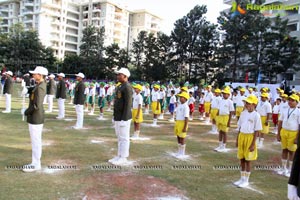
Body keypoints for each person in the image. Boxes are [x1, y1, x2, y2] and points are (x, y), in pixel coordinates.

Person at [23, 66, 48, 172]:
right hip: (34, 116)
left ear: (40, 75)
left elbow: (36, 105)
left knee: (36, 141)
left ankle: (36, 164)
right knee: (34, 141)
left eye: (35, 74)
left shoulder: (41, 87)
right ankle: (34, 162)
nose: (33, 75)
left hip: (36, 116)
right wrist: (27, 90)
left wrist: (26, 111)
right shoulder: (39, 85)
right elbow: (33, 93)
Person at [234, 95, 262, 188]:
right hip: (242, 136)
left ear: (254, 104)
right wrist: (237, 139)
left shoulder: (256, 115)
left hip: (250, 138)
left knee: (248, 160)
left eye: (248, 103)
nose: (246, 105)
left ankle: (246, 180)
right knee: (241, 158)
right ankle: (241, 178)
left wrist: (253, 144)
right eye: (246, 103)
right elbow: (240, 127)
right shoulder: (243, 113)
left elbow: (257, 130)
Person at [108, 68, 132, 165]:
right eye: (117, 74)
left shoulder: (127, 87)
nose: (118, 76)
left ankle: (124, 157)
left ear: (125, 76)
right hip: (118, 116)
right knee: (119, 137)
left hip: (124, 117)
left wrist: (124, 119)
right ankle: (119, 155)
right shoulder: (120, 86)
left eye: (120, 74)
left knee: (124, 138)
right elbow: (117, 103)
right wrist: (115, 117)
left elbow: (128, 104)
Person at [277, 94, 300, 177]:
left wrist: (297, 138)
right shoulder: (285, 110)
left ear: (297, 102)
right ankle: (284, 168)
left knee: (292, 152)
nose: (290, 102)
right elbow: (280, 122)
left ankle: (290, 169)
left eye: (292, 100)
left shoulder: (298, 112)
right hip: (284, 131)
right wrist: (278, 134)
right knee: (284, 150)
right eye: (289, 100)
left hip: (293, 133)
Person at [214, 88, 235, 152]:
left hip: (226, 117)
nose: (224, 95)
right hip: (220, 117)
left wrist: (229, 121)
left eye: (226, 94)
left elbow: (231, 112)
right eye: (223, 94)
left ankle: (224, 146)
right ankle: (220, 145)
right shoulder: (221, 100)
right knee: (220, 131)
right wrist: (216, 117)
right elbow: (218, 109)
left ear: (228, 95)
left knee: (225, 132)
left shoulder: (230, 102)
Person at [174, 92, 190, 157]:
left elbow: (186, 118)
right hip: (178, 122)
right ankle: (179, 151)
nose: (180, 98)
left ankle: (182, 153)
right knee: (178, 136)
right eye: (180, 97)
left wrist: (185, 127)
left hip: (182, 123)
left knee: (182, 138)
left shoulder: (186, 107)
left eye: (181, 97)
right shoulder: (180, 105)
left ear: (185, 99)